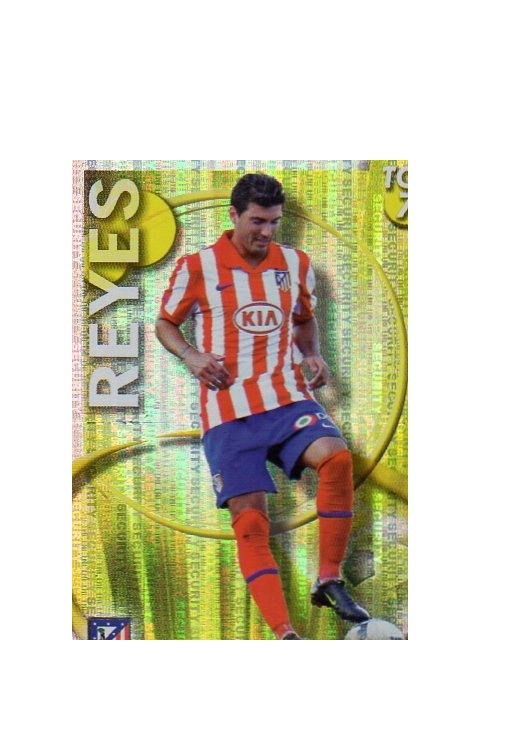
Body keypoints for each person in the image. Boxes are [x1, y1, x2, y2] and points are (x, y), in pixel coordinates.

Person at [155, 173, 370, 640]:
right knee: (251, 520)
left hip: (286, 397)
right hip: (227, 411)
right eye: (257, 221)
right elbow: (165, 324)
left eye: (274, 222)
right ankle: (285, 632)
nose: (267, 232)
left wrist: (313, 354)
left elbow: (305, 319)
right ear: (233, 215)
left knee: (337, 459)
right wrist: (191, 355)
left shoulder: (295, 263)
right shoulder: (198, 267)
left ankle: (328, 578)